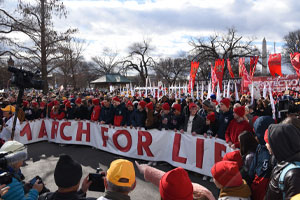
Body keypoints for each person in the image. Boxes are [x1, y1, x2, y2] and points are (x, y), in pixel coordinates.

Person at [135, 161, 215, 200]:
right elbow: (174, 184)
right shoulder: (204, 194)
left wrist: (147, 171)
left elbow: (169, 186)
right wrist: (147, 171)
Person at [265, 120, 300, 200]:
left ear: (279, 144)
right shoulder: (284, 162)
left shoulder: (294, 174)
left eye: (270, 142)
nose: (267, 145)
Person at [248, 116, 275, 200]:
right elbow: (252, 168)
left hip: (268, 189)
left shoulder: (276, 150)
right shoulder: (260, 147)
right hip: (257, 186)